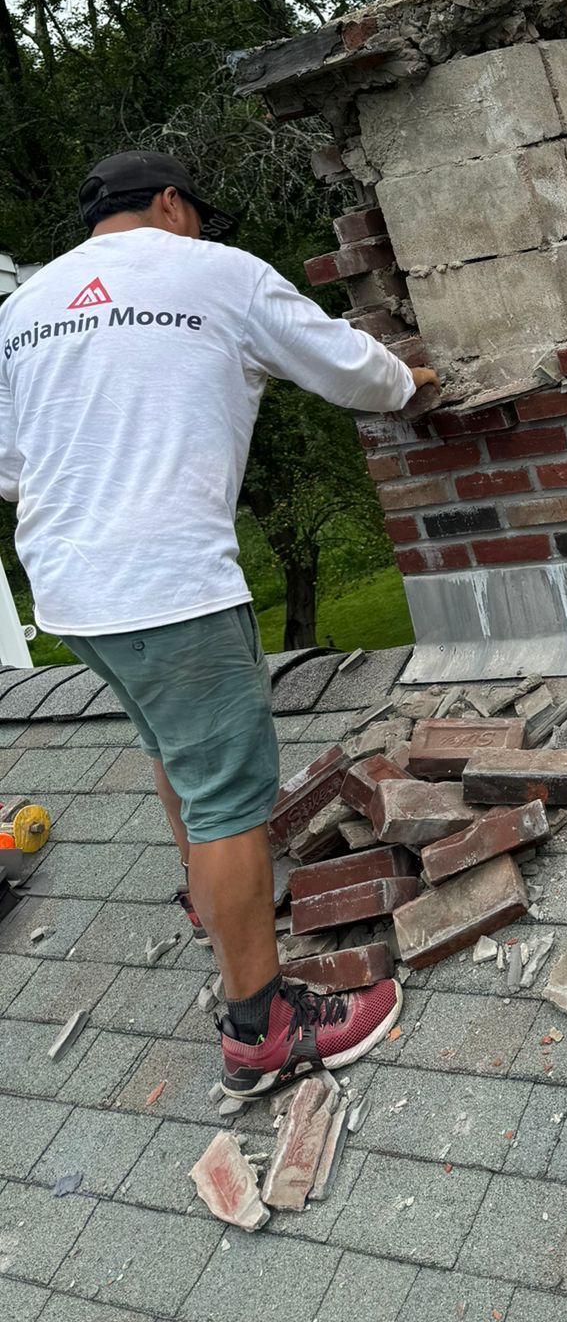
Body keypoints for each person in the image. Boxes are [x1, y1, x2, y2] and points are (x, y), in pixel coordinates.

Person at [0, 150, 438, 1097]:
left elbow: (6, 460)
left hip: (71, 590)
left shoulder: (23, 310)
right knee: (233, 796)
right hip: (168, 584)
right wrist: (414, 385)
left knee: (175, 747)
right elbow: (349, 369)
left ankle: (212, 903)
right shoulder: (218, 273)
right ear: (170, 203)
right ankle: (261, 1026)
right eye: (195, 212)